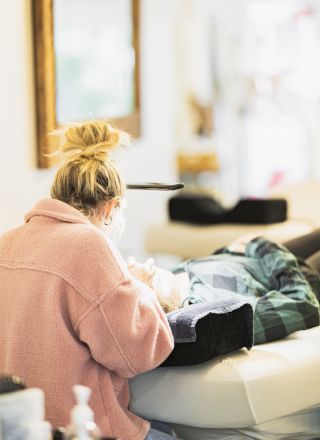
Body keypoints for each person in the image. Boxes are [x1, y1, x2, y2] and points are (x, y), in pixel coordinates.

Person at [0, 121, 180, 440]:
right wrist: (142, 288)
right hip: (81, 430)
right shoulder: (88, 245)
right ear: (110, 208)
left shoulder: (8, 243)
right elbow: (138, 353)